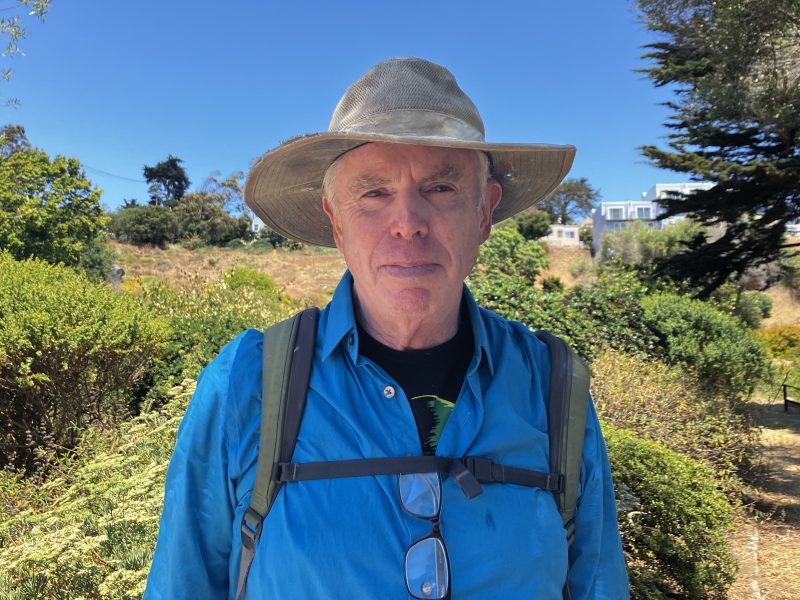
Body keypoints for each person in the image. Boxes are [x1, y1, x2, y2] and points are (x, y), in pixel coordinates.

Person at [144, 57, 629, 599]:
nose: (408, 222)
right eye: (373, 193)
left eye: (441, 188)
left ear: (484, 211)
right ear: (336, 220)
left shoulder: (554, 386)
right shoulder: (246, 384)